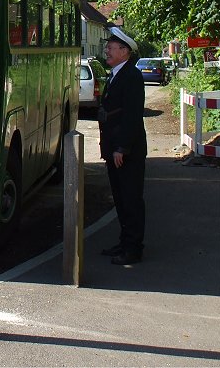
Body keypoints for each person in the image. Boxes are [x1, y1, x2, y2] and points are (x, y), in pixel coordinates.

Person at [98, 27, 147, 265]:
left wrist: (121, 148)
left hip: (127, 152)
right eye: (107, 47)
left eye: (111, 47)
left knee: (131, 199)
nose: (107, 50)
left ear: (124, 51)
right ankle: (125, 241)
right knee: (120, 198)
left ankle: (133, 249)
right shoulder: (117, 74)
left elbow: (132, 117)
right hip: (115, 149)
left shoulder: (132, 76)